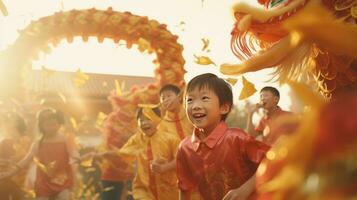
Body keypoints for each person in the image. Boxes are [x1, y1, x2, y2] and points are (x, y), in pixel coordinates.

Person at [176, 73, 270, 200]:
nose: (195, 106)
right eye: (190, 100)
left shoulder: (237, 138)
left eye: (204, 98)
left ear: (224, 108)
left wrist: (245, 189)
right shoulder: (185, 147)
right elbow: (184, 187)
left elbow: (272, 160)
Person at [87, 105, 180, 200]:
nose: (144, 123)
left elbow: (181, 161)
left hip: (170, 191)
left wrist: (164, 167)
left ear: (157, 119)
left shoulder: (171, 139)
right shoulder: (136, 140)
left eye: (148, 119)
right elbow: (120, 154)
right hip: (143, 191)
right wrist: (98, 155)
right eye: (141, 120)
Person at [0, 108, 79, 200]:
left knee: (63, 196)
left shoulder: (65, 139)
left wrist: (76, 157)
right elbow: (27, 159)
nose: (52, 127)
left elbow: (73, 152)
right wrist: (11, 172)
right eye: (48, 125)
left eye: (54, 124)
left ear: (59, 124)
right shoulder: (38, 143)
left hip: (62, 178)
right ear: (41, 126)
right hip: (43, 180)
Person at [0, 112, 30, 200]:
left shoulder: (27, 141)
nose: (6, 123)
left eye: (9, 121)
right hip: (8, 179)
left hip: (22, 180)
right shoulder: (5, 142)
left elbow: (30, 160)